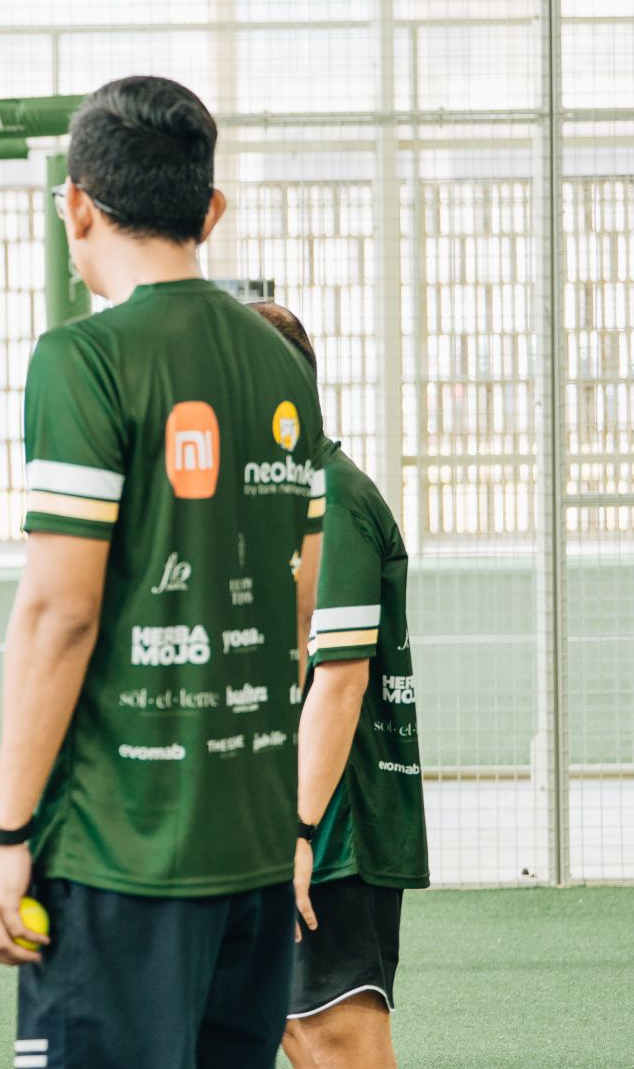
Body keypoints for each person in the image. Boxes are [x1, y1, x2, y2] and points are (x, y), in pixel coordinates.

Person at [0, 76, 328, 1069]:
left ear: (77, 205)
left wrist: (7, 832)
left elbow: (58, 614)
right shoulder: (281, 363)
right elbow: (297, 603)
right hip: (254, 857)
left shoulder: (80, 359)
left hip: (117, 857)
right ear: (209, 210)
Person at [251, 303, 428, 1069]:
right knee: (291, 1023)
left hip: (335, 828)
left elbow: (341, 680)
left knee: (334, 1035)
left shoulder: (334, 495)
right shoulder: (281, 495)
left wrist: (296, 830)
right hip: (298, 819)